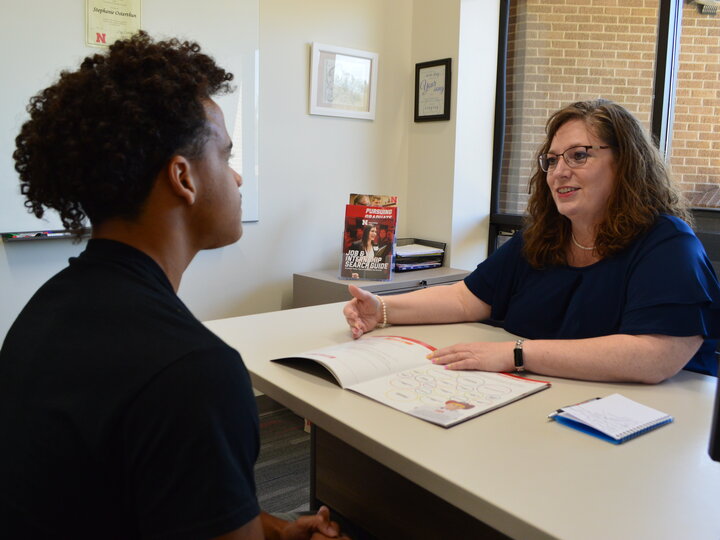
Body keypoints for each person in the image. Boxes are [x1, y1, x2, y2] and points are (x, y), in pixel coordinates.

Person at [0, 32, 348, 540]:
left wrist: (268, 529)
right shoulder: (196, 374)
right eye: (226, 157)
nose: (237, 179)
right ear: (183, 178)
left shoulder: (48, 308)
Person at [344, 99, 720, 383]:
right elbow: (467, 297)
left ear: (626, 163)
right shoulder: (544, 235)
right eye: (552, 160)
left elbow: (656, 356)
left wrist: (516, 353)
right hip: (542, 398)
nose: (559, 172)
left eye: (578, 156)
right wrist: (385, 309)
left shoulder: (668, 244)